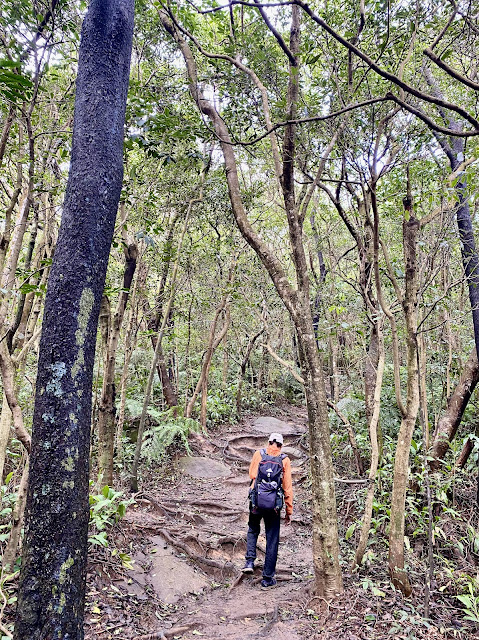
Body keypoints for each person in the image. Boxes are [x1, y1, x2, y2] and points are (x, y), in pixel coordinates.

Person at [241, 432, 293, 589]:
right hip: (273, 506)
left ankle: (250, 560)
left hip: (257, 501)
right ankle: (267, 578)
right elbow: (287, 487)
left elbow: (252, 474)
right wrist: (289, 511)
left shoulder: (259, 454)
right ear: (281, 445)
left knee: (253, 529)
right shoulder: (285, 460)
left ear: (269, 442)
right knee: (272, 538)